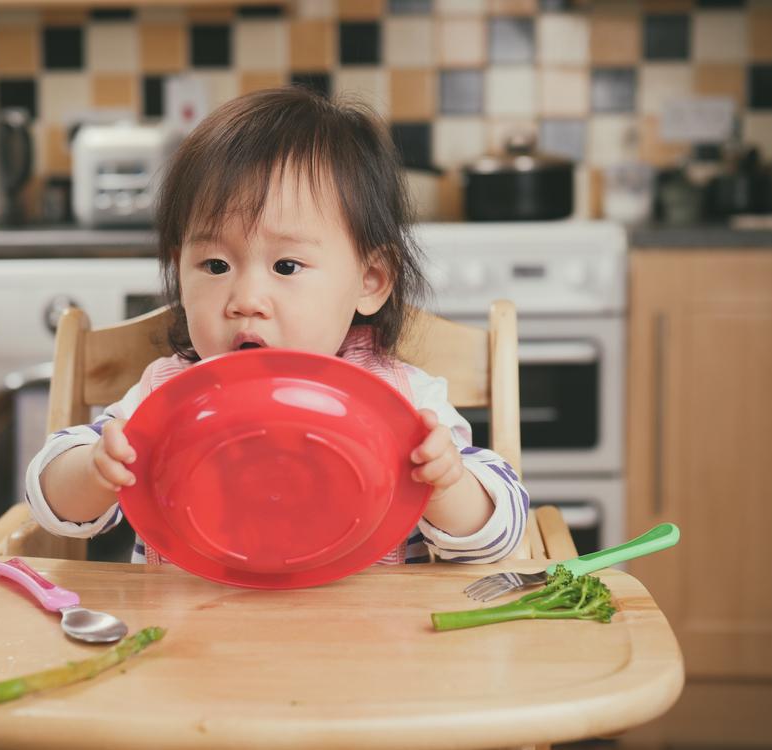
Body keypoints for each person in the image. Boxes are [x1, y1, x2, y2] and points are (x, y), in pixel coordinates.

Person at [26, 86, 528, 566]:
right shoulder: (163, 396)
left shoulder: (405, 403)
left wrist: (448, 485)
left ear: (370, 281)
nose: (245, 301)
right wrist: (94, 470)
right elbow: (55, 503)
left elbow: (501, 531)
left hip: (369, 645)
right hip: (192, 643)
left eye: (286, 267)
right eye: (215, 266)